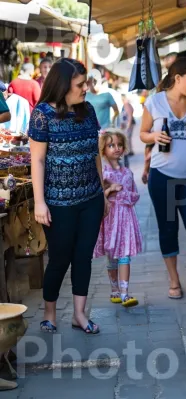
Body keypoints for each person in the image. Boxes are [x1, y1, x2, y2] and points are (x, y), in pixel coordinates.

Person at [29, 58, 108, 334]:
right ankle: (50, 313)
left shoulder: (87, 110)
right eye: (80, 84)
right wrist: (40, 201)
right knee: (60, 258)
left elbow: (95, 153)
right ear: (63, 86)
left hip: (91, 199)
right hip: (58, 203)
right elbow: (37, 161)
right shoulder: (42, 114)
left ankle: (79, 314)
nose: (86, 88)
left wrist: (102, 192)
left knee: (83, 256)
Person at [140, 57, 186, 299]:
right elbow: (142, 133)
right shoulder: (154, 102)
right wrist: (153, 137)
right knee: (168, 228)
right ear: (177, 78)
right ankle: (174, 281)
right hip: (162, 177)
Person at [93, 130, 142, 308]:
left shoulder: (128, 173)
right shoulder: (102, 173)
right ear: (103, 149)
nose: (116, 148)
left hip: (125, 219)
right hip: (109, 219)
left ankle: (125, 293)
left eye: (119, 145)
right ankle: (114, 289)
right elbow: (98, 197)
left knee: (124, 255)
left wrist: (124, 195)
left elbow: (135, 195)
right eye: (111, 145)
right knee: (111, 257)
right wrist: (110, 189)